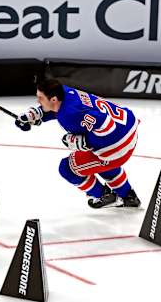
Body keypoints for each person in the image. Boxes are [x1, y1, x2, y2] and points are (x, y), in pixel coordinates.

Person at [15, 78, 141, 208]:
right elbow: (59, 110)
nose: (38, 102)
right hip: (128, 126)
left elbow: (107, 125)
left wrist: (85, 142)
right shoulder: (63, 92)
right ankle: (128, 196)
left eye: (40, 98)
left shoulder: (69, 114)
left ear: (53, 99)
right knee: (94, 161)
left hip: (119, 144)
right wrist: (35, 115)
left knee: (67, 168)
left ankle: (104, 195)